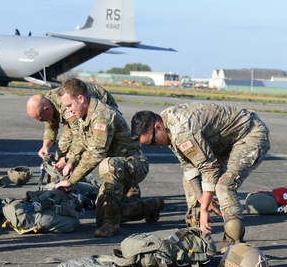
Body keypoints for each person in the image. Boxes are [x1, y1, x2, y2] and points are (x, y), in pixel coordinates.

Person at [130, 104, 270, 243]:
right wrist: (202, 198)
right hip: (224, 140)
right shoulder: (166, 124)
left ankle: (236, 244)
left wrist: (204, 210)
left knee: (224, 185)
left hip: (249, 134)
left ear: (157, 127)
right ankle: (198, 238)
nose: (156, 146)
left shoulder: (181, 131)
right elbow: (188, 165)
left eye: (152, 142)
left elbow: (210, 168)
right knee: (189, 181)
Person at [55, 78, 163, 237]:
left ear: (81, 98)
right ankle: (152, 206)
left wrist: (71, 181)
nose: (69, 111)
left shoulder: (102, 116)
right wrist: (71, 162)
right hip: (117, 168)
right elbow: (81, 142)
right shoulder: (85, 115)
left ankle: (111, 226)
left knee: (108, 164)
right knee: (105, 214)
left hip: (134, 164)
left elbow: (95, 153)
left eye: (69, 105)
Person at [26, 80, 118, 161]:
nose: (41, 121)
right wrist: (45, 146)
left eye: (41, 118)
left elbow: (78, 135)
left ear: (47, 109)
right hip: (76, 114)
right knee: (61, 154)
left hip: (102, 107)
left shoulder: (67, 106)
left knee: (93, 151)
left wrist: (68, 159)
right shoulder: (48, 103)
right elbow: (51, 128)